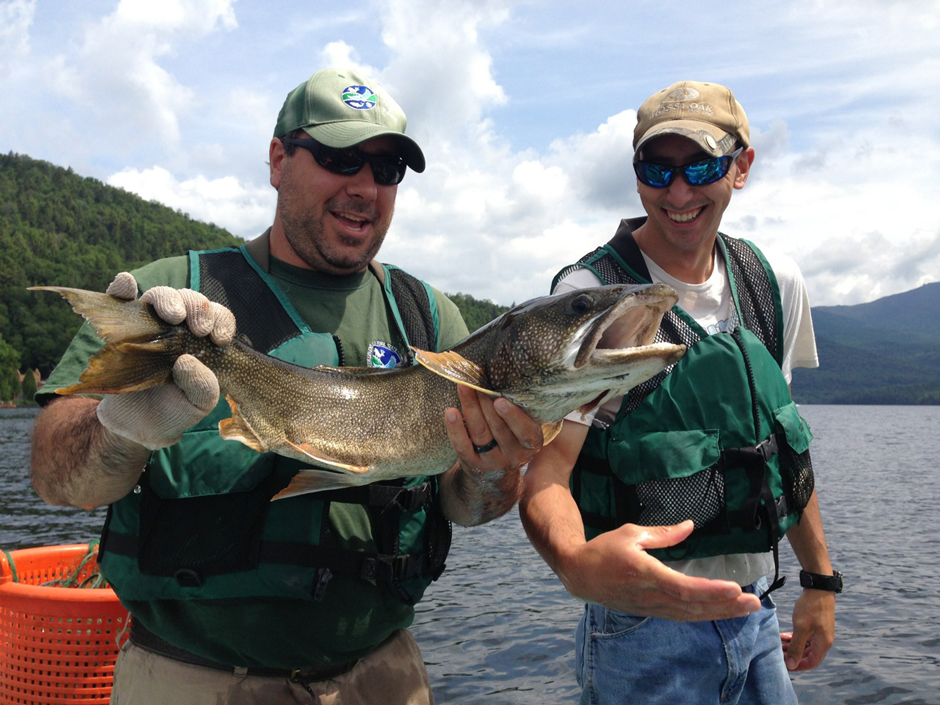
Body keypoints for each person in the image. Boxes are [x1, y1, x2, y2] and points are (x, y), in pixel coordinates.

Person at [30, 67, 543, 705]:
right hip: (192, 680)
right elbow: (54, 479)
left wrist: (494, 473)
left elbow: (466, 508)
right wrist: (119, 427)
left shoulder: (433, 322)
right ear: (278, 160)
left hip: (384, 676)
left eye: (385, 170)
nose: (364, 187)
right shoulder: (175, 298)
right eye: (338, 158)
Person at [519, 80, 840, 704]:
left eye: (702, 166)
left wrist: (821, 582)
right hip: (640, 630)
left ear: (740, 167)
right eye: (656, 170)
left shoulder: (773, 282)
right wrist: (576, 566)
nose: (679, 192)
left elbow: (783, 454)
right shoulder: (591, 296)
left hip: (757, 616)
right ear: (636, 174)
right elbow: (545, 475)